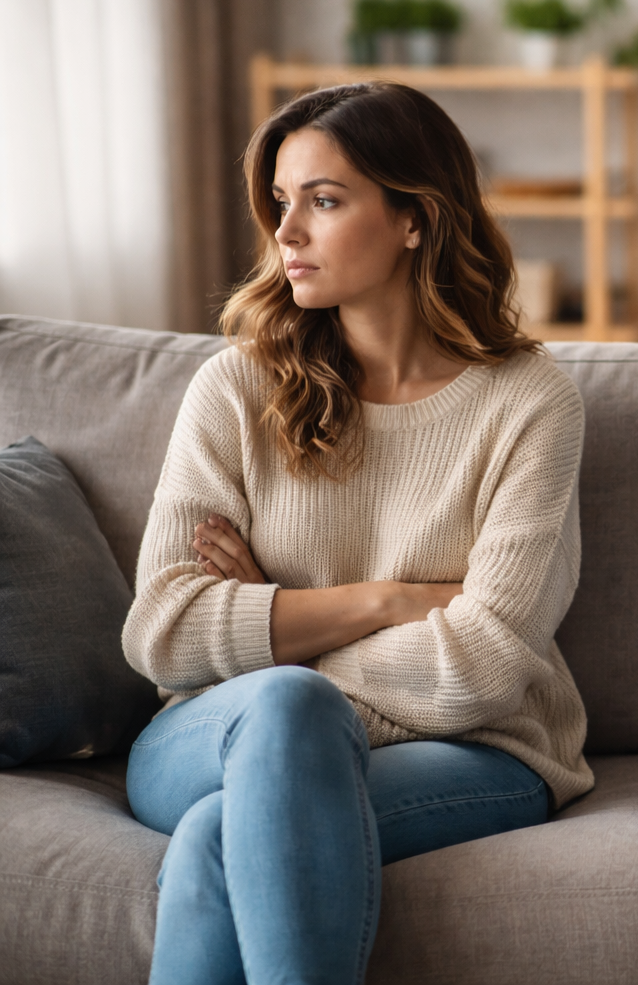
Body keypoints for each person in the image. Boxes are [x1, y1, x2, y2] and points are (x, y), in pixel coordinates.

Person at [122, 81, 590, 984]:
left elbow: (486, 664)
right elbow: (163, 632)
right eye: (282, 203)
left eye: (325, 201)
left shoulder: (527, 404)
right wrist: (393, 603)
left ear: (416, 217)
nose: (287, 233)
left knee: (236, 814)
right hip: (206, 734)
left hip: (478, 753)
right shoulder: (235, 388)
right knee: (290, 712)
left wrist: (272, 626)